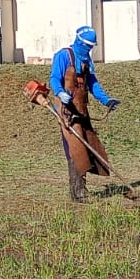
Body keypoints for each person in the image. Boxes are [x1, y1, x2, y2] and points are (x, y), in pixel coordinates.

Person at [49, 25, 121, 203]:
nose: (88, 49)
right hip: (66, 112)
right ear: (79, 42)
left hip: (82, 110)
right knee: (75, 150)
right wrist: (60, 92)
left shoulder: (86, 61)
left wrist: (106, 100)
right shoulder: (64, 55)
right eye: (86, 45)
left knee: (91, 146)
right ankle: (78, 192)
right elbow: (54, 78)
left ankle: (80, 189)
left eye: (91, 46)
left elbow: (93, 85)